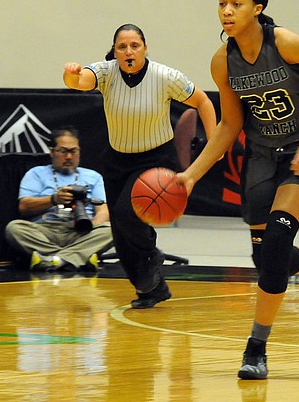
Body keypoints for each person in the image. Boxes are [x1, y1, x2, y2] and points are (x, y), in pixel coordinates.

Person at [177, 0, 299, 380]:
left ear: (257, 9)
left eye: (236, 3)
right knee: (266, 260)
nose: (226, 10)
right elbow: (228, 126)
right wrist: (191, 175)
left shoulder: (287, 43)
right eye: (222, 2)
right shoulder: (222, 61)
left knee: (278, 239)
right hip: (262, 159)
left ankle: (256, 346)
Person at [62, 24, 217, 308]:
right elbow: (79, 81)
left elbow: (204, 101)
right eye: (122, 47)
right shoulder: (107, 73)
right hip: (117, 160)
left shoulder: (164, 76)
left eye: (135, 45)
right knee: (120, 234)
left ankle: (152, 256)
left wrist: (215, 144)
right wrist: (70, 73)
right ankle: (152, 290)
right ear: (115, 52)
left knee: (126, 212)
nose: (129, 51)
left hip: (155, 159)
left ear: (145, 48)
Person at [5, 125, 114, 272]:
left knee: (113, 230)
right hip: (45, 230)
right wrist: (53, 199)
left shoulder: (93, 176)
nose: (69, 157)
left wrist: (89, 226)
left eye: (73, 151)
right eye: (63, 151)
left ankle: (53, 260)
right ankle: (77, 257)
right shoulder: (36, 174)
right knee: (14, 228)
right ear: (52, 152)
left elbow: (103, 212)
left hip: (80, 232)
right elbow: (24, 207)